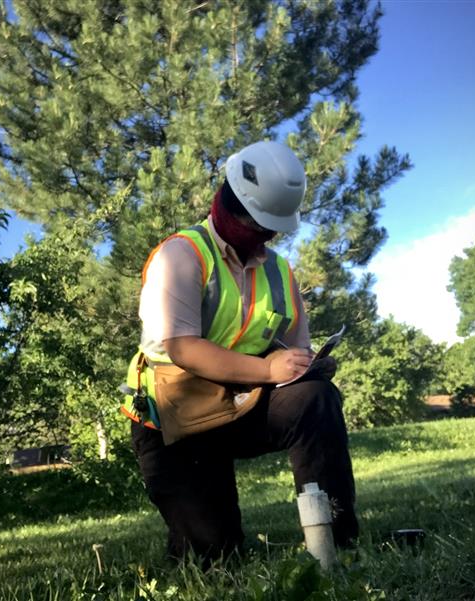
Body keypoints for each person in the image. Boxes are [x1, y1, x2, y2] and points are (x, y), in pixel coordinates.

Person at [121, 140, 358, 562]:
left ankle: (336, 542)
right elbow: (182, 347)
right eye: (260, 225)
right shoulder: (182, 254)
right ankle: (195, 537)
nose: (266, 237)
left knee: (314, 399)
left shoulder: (280, 271)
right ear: (227, 206)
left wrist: (306, 366)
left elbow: (292, 349)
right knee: (215, 558)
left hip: (242, 406)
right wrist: (267, 372)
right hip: (174, 420)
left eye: (273, 228)